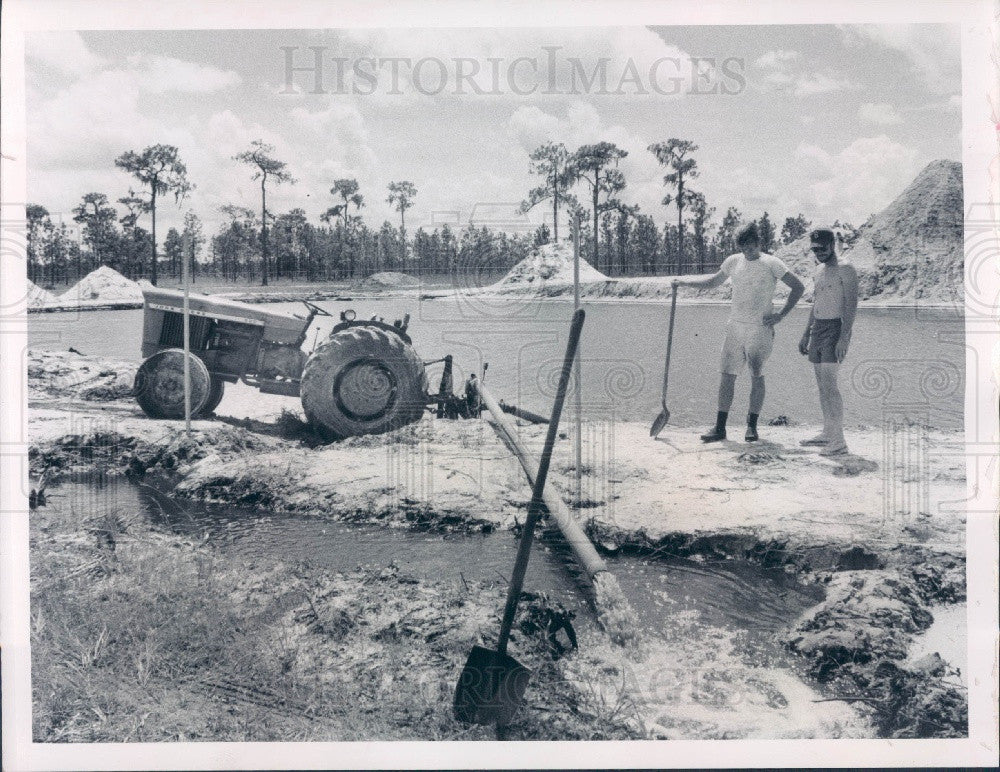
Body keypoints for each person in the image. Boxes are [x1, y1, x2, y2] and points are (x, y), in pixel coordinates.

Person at [674, 222, 804, 442]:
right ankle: (720, 427)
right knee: (726, 375)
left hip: (760, 329)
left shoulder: (772, 263)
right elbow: (713, 282)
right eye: (743, 247)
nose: (747, 251)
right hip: (735, 327)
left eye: (751, 247)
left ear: (758, 243)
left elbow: (798, 287)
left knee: (756, 374)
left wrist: (781, 315)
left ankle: (751, 427)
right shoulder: (733, 261)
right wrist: (684, 282)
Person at [798, 228, 859, 456]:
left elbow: (851, 304)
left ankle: (839, 441)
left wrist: (844, 337)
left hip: (835, 327)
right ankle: (827, 432)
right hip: (818, 329)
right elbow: (816, 303)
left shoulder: (846, 268)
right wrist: (806, 333)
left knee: (831, 386)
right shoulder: (818, 270)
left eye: (823, 248)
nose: (819, 253)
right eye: (814, 249)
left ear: (832, 244)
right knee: (822, 386)